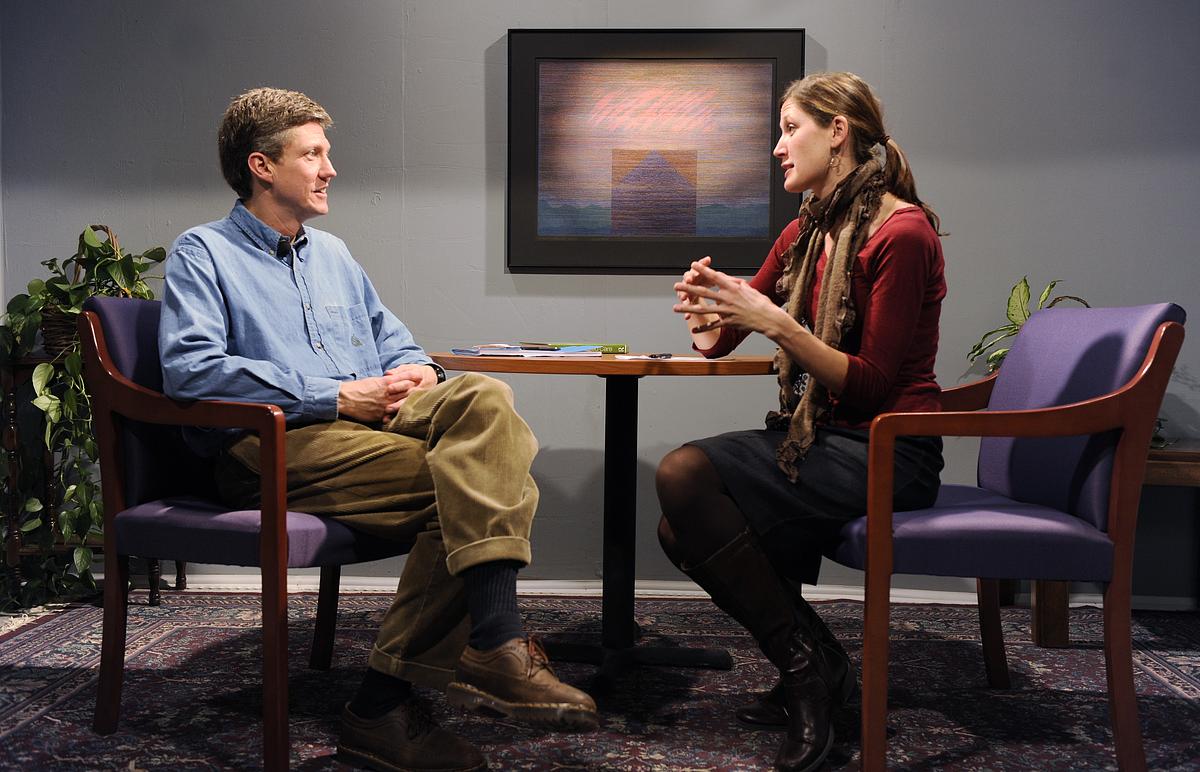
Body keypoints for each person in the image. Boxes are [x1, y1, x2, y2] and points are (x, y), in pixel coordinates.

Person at [159, 87, 597, 772]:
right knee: (470, 486)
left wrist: (420, 370)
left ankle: (482, 647)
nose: (330, 169)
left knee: (484, 394)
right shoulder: (204, 252)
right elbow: (192, 371)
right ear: (261, 166)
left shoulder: (334, 254)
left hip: (376, 426)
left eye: (326, 153)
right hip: (273, 443)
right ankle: (394, 699)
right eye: (313, 154)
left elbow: (397, 342)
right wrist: (334, 395)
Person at [657, 72, 946, 772]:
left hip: (892, 449)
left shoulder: (901, 232)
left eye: (791, 129)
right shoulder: (806, 231)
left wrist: (776, 323)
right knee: (679, 526)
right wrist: (706, 309)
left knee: (685, 475)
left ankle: (806, 675)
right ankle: (818, 664)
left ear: (837, 131)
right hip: (827, 440)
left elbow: (871, 382)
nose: (779, 147)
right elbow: (724, 337)